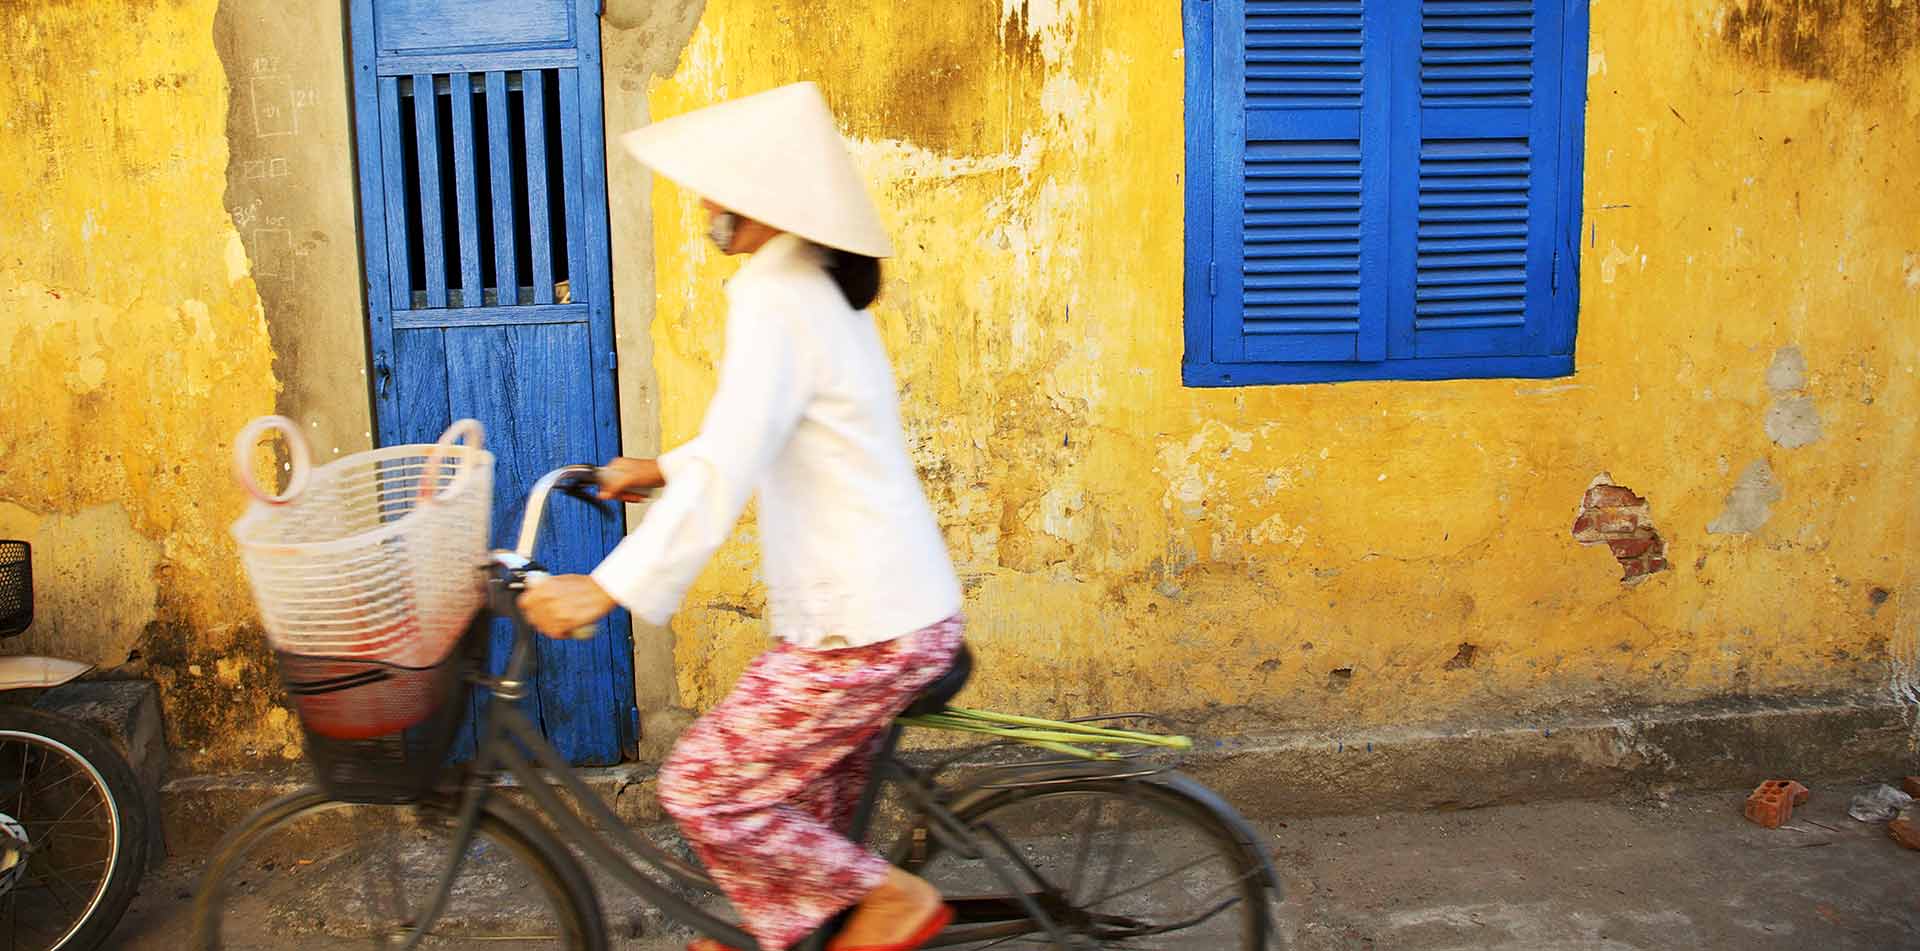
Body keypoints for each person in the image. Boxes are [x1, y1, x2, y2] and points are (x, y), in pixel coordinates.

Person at [519, 82, 963, 951]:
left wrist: (604, 588)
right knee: (790, 825)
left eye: (724, 187)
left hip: (864, 630)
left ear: (771, 200)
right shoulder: (807, 284)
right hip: (881, 613)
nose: (709, 206)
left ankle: (894, 897)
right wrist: (659, 466)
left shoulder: (777, 292)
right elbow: (755, 433)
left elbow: (730, 466)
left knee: (703, 788)